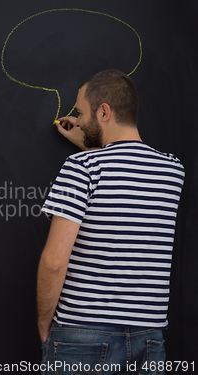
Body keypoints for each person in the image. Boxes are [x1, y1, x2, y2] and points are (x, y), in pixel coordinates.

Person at [38, 70, 185, 374]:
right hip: (150, 337)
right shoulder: (173, 171)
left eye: (80, 112)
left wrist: (44, 326)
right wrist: (91, 144)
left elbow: (54, 261)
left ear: (104, 111)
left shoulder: (82, 167)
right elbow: (125, 174)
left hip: (80, 333)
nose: (77, 121)